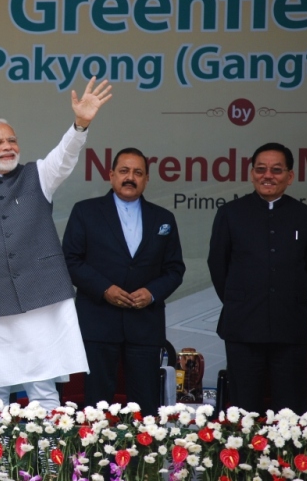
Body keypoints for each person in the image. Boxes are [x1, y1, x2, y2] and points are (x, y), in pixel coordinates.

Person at [0, 77, 112, 410]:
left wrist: (80, 124)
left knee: (44, 393)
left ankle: (48, 463)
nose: (7, 147)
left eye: (12, 140)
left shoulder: (39, 176)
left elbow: (64, 156)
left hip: (40, 302)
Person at [62, 147, 185, 413]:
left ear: (146, 179)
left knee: (145, 406)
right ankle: (94, 455)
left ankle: (144, 455)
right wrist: (104, 289)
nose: (130, 178)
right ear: (111, 175)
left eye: (138, 173)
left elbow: (175, 269)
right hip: (98, 321)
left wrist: (151, 293)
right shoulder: (86, 212)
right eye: (124, 171)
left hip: (145, 324)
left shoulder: (163, 218)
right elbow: (70, 260)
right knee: (97, 405)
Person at [208, 142, 307, 414]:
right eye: (261, 169)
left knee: (289, 413)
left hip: (289, 328)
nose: (267, 175)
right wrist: (241, 300)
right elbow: (218, 265)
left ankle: (289, 459)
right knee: (243, 413)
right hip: (243, 326)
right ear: (251, 173)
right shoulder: (230, 214)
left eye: (276, 170)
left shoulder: (306, 217)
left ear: (290, 176)